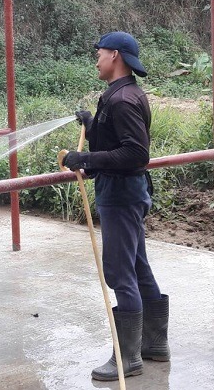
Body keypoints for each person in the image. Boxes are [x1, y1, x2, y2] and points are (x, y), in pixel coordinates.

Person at [60, 31, 170, 381]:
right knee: (138, 269)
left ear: (116, 56)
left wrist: (85, 157)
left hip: (121, 195)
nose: (96, 60)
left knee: (120, 274)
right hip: (127, 191)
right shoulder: (122, 95)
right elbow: (117, 140)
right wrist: (92, 125)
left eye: (100, 54)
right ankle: (154, 345)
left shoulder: (122, 100)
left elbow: (136, 152)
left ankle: (127, 359)